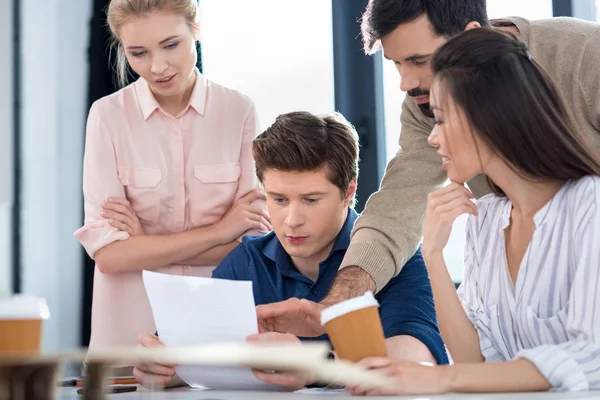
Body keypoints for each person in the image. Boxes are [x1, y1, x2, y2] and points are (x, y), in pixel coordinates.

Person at [256, 0, 600, 342]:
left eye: (419, 61)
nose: (406, 82)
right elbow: (397, 207)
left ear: (471, 38)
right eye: (396, 63)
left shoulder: (585, 56)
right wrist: (332, 306)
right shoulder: (484, 210)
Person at [346, 28, 600, 396]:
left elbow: (592, 356)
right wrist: (432, 254)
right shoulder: (487, 219)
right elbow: (473, 361)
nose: (433, 138)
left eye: (443, 119)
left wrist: (436, 378)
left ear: (490, 117)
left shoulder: (589, 205)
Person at [131, 111, 448, 390]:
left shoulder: (392, 256)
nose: (291, 221)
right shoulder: (247, 261)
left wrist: (316, 365)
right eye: (279, 200)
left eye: (311, 200)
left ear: (348, 190)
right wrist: (164, 369)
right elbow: (184, 353)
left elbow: (416, 356)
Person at [74, 0, 270, 351]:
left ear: (195, 31)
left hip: (217, 332)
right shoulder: (107, 117)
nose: (158, 66)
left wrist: (144, 239)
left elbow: (250, 247)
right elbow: (109, 255)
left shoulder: (239, 112)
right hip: (129, 337)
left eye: (170, 45)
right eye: (139, 53)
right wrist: (218, 232)